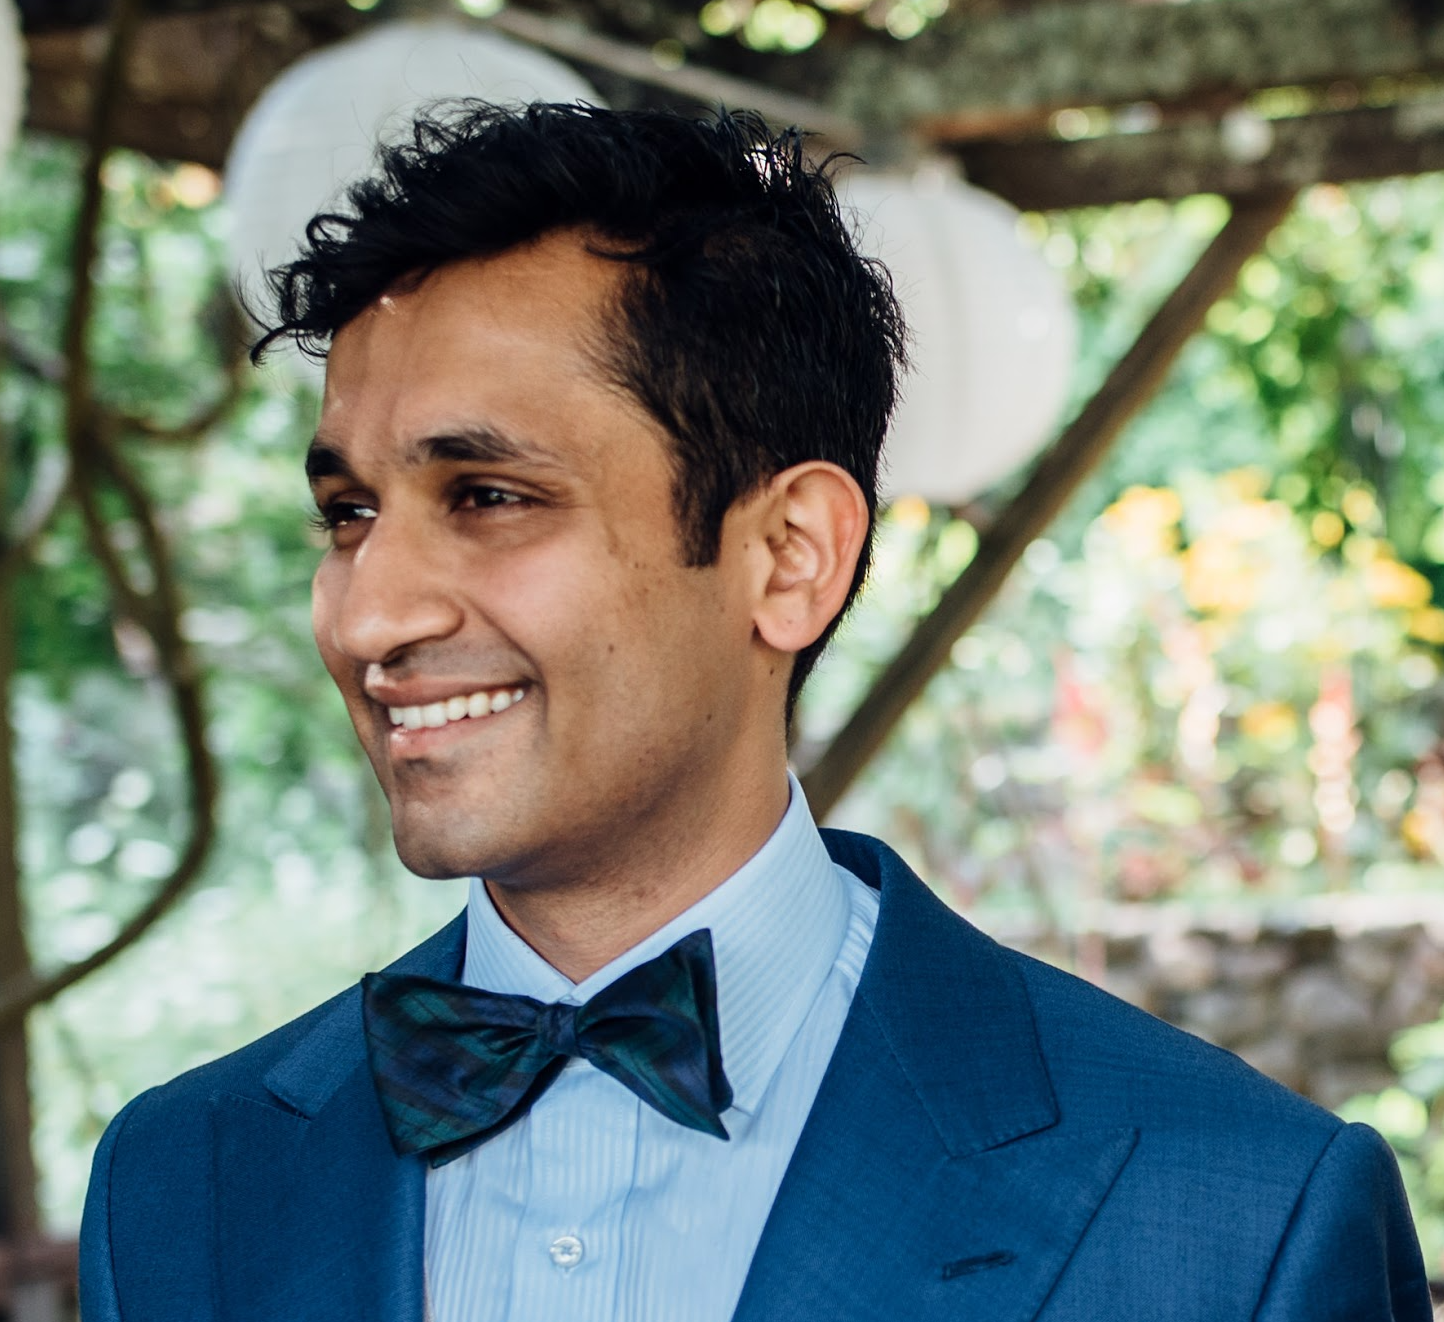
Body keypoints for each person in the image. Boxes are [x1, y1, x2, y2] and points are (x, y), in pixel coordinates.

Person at [79, 102, 1430, 1322]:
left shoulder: (1240, 1222)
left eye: (488, 496)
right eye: (348, 514)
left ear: (788, 556)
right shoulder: (178, 1186)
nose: (367, 616)